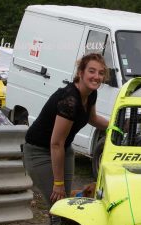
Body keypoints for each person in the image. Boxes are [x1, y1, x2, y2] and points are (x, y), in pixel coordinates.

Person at [23, 53, 109, 209]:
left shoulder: (90, 94)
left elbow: (93, 119)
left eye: (101, 73)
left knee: (63, 208)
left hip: (64, 149)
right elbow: (56, 143)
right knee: (59, 208)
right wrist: (58, 183)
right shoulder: (70, 100)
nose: (96, 76)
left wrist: (117, 125)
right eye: (92, 71)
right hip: (39, 152)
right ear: (80, 73)